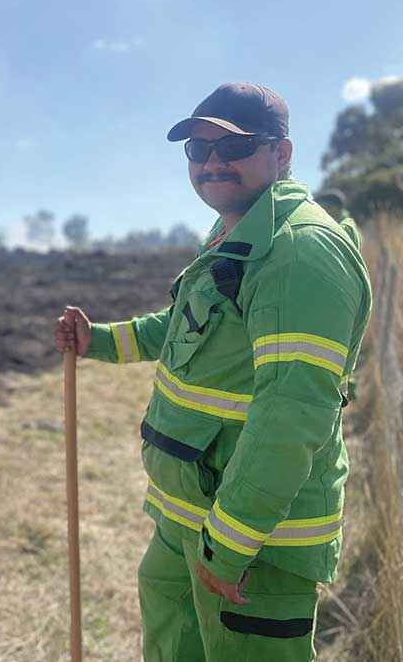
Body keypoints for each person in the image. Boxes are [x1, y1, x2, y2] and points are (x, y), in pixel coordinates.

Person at [54, 83, 372, 661]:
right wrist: (96, 341)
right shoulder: (237, 230)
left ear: (282, 153)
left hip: (251, 545)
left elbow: (291, 415)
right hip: (188, 518)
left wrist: (227, 547)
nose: (212, 163)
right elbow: (183, 325)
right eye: (198, 150)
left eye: (235, 146)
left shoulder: (299, 252)